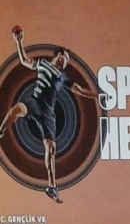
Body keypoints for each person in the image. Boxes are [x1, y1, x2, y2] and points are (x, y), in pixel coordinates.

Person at [0, 28, 104, 203]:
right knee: (15, 110)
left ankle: (52, 186)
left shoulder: (63, 76)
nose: (66, 62)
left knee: (51, 149)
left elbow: (79, 90)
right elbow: (25, 61)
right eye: (66, 58)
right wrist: (19, 42)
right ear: (59, 55)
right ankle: (1, 130)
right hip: (34, 102)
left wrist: (97, 95)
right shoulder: (42, 63)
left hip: (48, 113)